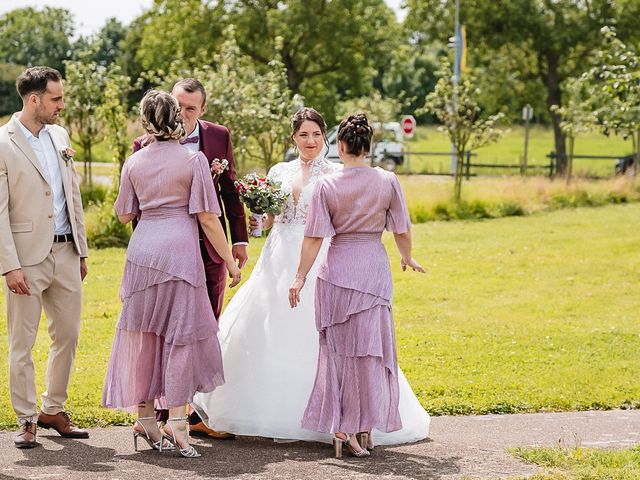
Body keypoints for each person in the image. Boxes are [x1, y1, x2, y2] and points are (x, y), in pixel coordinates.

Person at [192, 108, 430, 447]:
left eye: (317, 134)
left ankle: (332, 412)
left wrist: (303, 273)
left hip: (322, 257)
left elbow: (333, 224)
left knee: (323, 333)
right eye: (304, 135)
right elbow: (272, 218)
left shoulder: (336, 173)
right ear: (294, 138)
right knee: (266, 327)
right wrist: (261, 218)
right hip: (279, 256)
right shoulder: (279, 171)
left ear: (328, 139)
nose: (311, 141)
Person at [102, 90, 241, 458]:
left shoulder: (134, 162)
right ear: (176, 119)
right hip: (180, 253)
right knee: (180, 336)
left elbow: (124, 214)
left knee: (144, 333)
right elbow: (209, 219)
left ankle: (146, 418)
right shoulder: (192, 160)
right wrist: (229, 260)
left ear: (146, 121)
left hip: (143, 253)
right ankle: (178, 422)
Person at [289, 113, 426, 458]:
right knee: (370, 352)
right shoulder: (387, 180)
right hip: (372, 270)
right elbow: (402, 228)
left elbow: (313, 238)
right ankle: (362, 426)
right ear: (368, 146)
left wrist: (299, 277)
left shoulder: (327, 185)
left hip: (336, 271)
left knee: (339, 354)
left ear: (340, 145)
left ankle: (346, 426)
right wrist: (407, 257)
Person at [132, 78, 248, 438]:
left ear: (203, 110)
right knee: (163, 330)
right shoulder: (143, 145)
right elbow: (136, 211)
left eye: (190, 109)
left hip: (210, 248)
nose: (181, 114)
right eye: (177, 105)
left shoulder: (218, 137)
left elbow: (229, 191)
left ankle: (193, 412)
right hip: (167, 253)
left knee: (202, 328)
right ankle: (167, 415)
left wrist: (238, 241)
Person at [0, 67, 89, 449]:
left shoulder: (60, 135)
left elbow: (73, 194)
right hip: (26, 257)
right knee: (22, 342)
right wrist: (9, 264)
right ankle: (25, 419)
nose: (61, 105)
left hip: (66, 252)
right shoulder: (3, 141)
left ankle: (53, 409)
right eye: (56, 98)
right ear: (34, 99)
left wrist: (82, 250)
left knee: (67, 336)